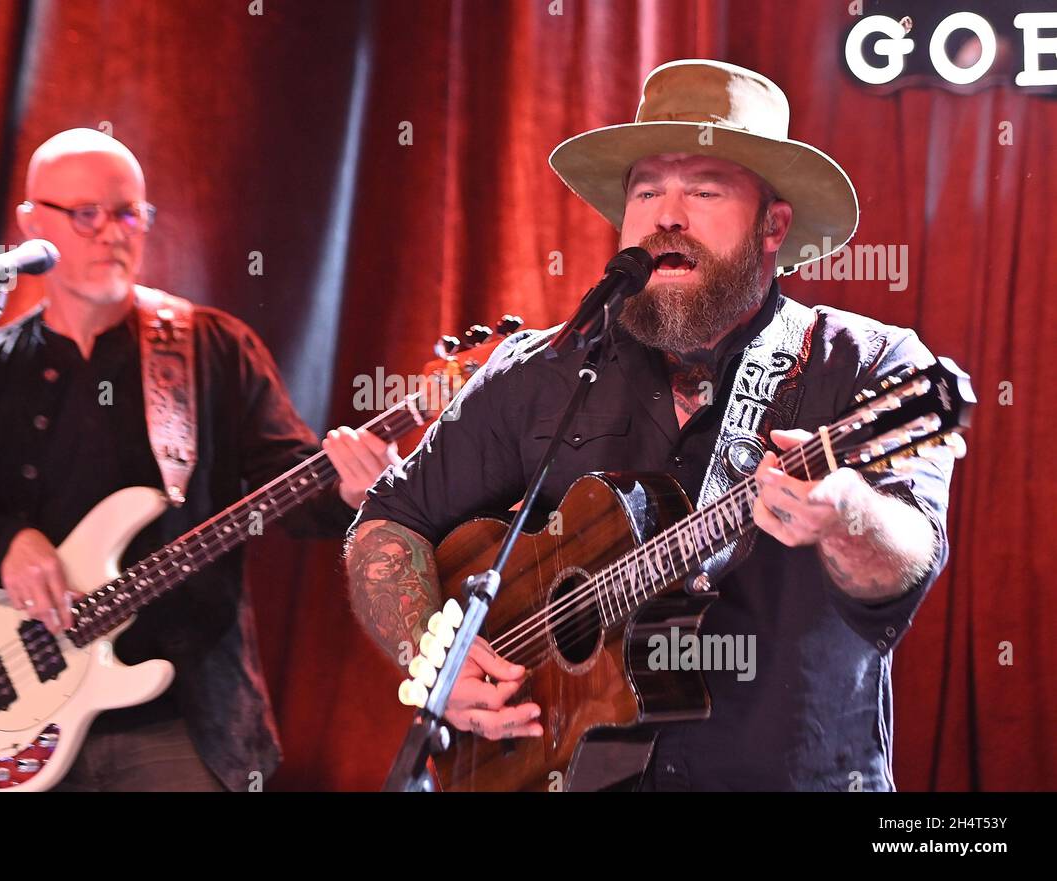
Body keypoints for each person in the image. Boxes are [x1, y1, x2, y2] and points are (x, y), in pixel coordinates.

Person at [345, 60, 954, 791]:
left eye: (703, 189)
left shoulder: (866, 364)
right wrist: (429, 650)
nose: (668, 213)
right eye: (645, 190)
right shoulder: (540, 369)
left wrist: (846, 513)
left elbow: (907, 563)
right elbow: (387, 519)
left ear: (774, 225)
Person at [0, 128, 394, 791]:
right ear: (30, 223)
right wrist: (4, 544)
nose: (112, 232)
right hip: (20, 721)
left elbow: (294, 488)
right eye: (86, 214)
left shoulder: (209, 349)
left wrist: (354, 489)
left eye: (129, 212)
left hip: (180, 716)